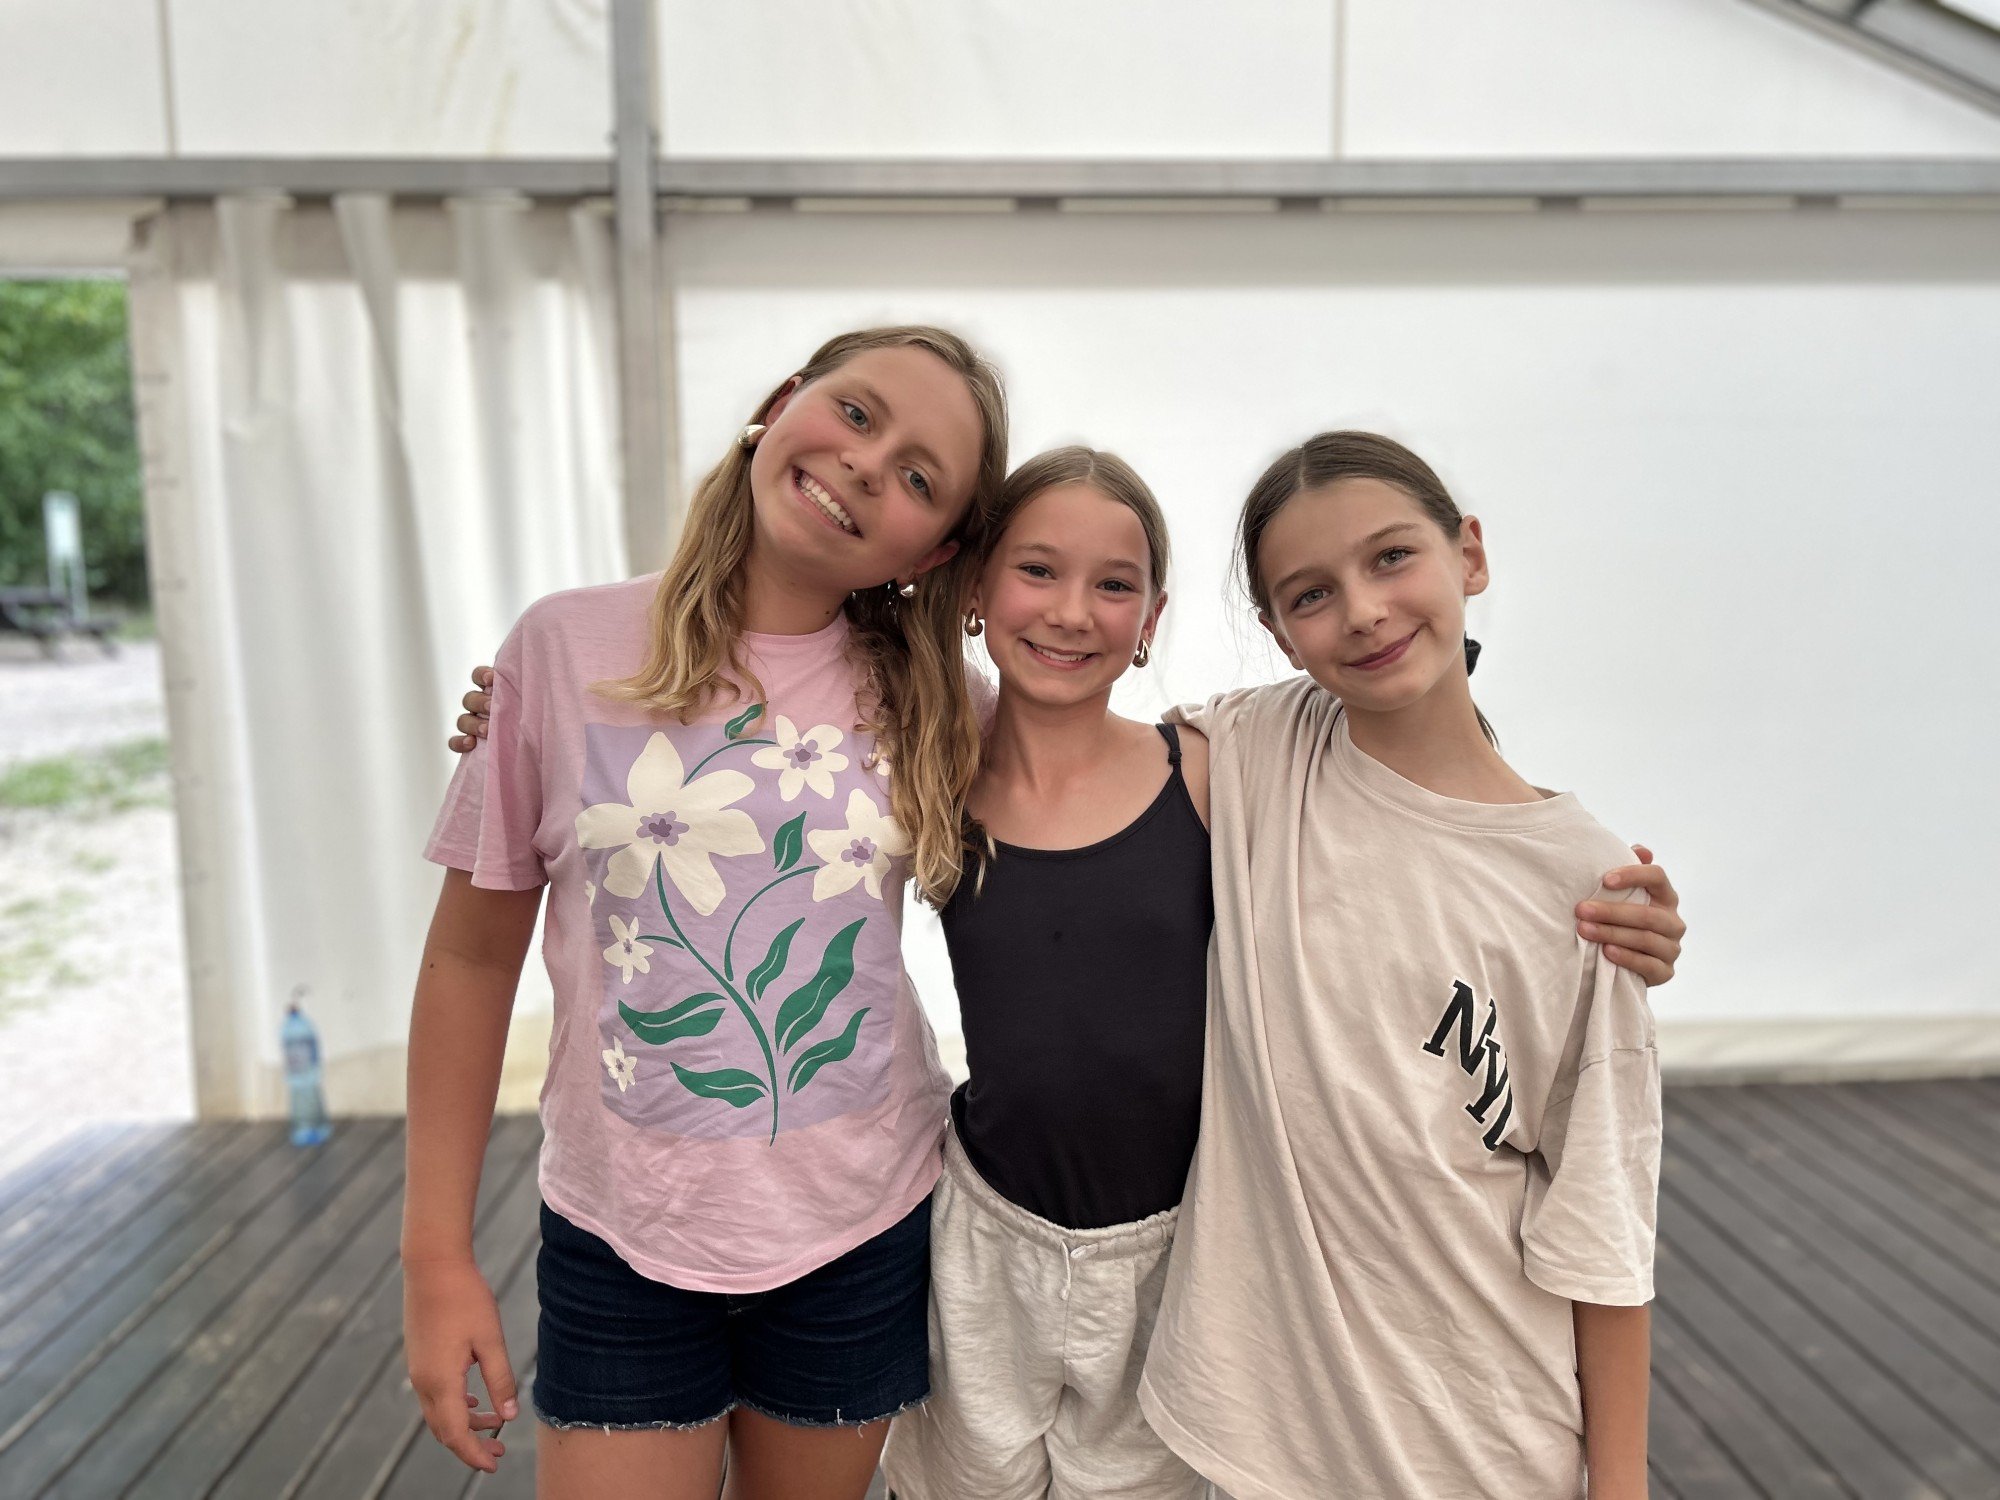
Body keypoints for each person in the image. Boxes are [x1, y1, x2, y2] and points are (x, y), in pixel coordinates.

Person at [449, 437, 1683, 1500]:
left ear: (1151, 622)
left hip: (1186, 1255)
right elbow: (777, 720)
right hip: (978, 1231)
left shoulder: (1216, 765)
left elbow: (1424, 781)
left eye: (1113, 585)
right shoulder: (930, 751)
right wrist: (522, 714)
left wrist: (1589, 902)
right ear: (975, 590)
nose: (1070, 611)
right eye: (1035, 571)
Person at [405, 325, 1009, 1500]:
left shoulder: (945, 704)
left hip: (860, 1230)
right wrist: (433, 1253)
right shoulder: (560, 650)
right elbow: (471, 964)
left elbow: (1095, 786)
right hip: (621, 1233)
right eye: (855, 411)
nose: (865, 462)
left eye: (918, 477)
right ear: (780, 403)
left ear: (932, 553)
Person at [1137, 431, 1666, 1500]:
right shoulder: (1257, 753)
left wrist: (1618, 1486)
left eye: (1390, 558)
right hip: (1260, 1443)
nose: (1364, 610)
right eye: (1311, 593)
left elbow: (1601, 1224)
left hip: (1484, 1446)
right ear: (1278, 633)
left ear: (1467, 553)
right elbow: (1053, 754)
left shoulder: (1587, 886)